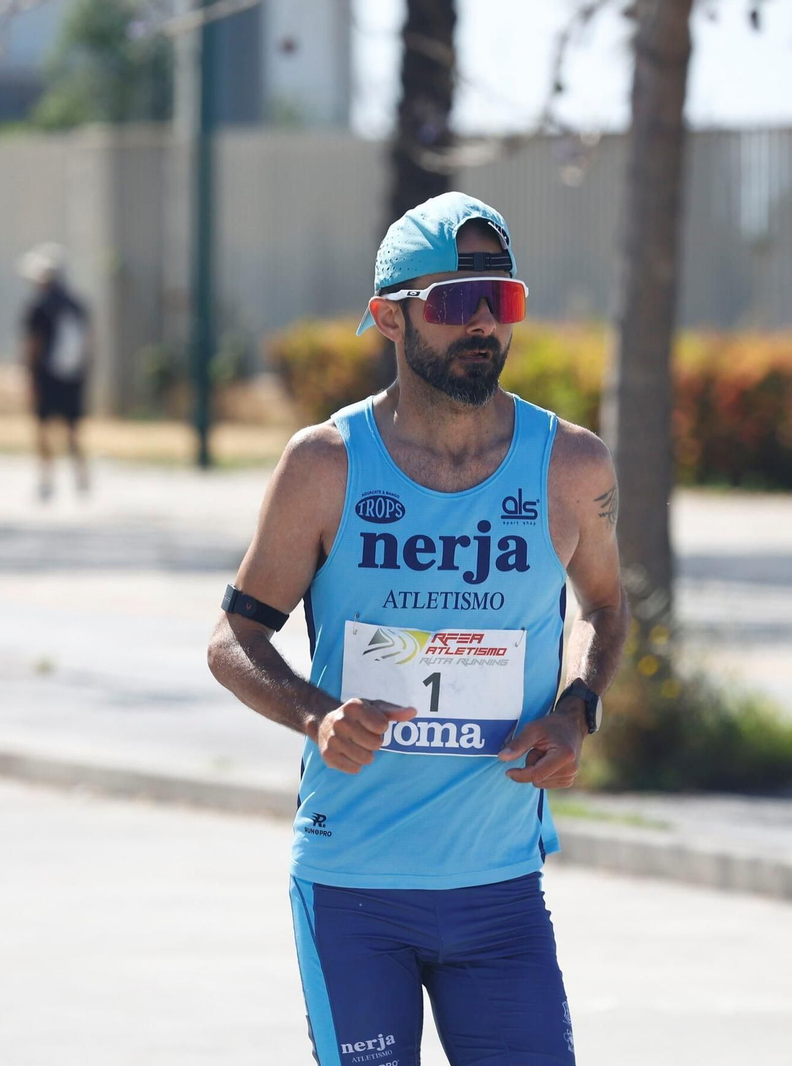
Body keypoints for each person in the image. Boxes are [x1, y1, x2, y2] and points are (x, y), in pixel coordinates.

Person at [207, 192, 631, 1066]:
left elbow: (605, 609)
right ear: (390, 317)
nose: (482, 323)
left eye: (500, 300)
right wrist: (317, 715)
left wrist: (576, 708)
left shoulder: (571, 464)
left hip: (500, 890)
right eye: (454, 300)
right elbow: (232, 641)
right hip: (354, 888)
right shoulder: (325, 464)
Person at [18, 242, 91, 501]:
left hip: (46, 376)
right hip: (73, 376)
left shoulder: (38, 307)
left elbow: (33, 345)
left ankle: (46, 480)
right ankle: (81, 477)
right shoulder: (76, 304)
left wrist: (29, 376)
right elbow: (90, 343)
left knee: (42, 428)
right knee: (72, 430)